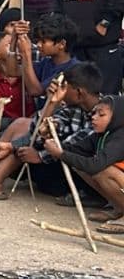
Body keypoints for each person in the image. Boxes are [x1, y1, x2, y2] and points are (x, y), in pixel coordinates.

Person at [0, 62, 102, 201]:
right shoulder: (74, 109)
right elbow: (37, 131)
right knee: (21, 124)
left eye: (65, 88)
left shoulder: (103, 113)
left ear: (79, 93)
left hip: (80, 176)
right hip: (57, 161)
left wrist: (40, 156)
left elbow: (72, 147)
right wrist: (51, 103)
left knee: (27, 143)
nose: (61, 92)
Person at [38, 94, 124, 227]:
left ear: (117, 117)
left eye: (101, 115)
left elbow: (95, 166)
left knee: (104, 171)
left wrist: (60, 154)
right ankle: (119, 209)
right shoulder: (101, 135)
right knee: (79, 165)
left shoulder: (120, 138)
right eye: (94, 113)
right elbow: (73, 149)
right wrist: (49, 139)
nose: (94, 118)